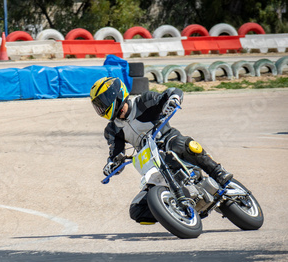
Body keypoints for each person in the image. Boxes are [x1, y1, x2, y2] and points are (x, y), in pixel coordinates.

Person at [90, 76, 233, 224]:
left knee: (182, 144)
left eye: (103, 102)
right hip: (151, 163)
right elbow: (115, 153)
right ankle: (175, 212)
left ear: (117, 94)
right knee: (137, 210)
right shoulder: (112, 130)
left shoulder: (143, 101)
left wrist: (172, 100)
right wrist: (112, 164)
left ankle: (217, 172)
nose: (102, 108)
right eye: (98, 105)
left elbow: (171, 92)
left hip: (167, 141)